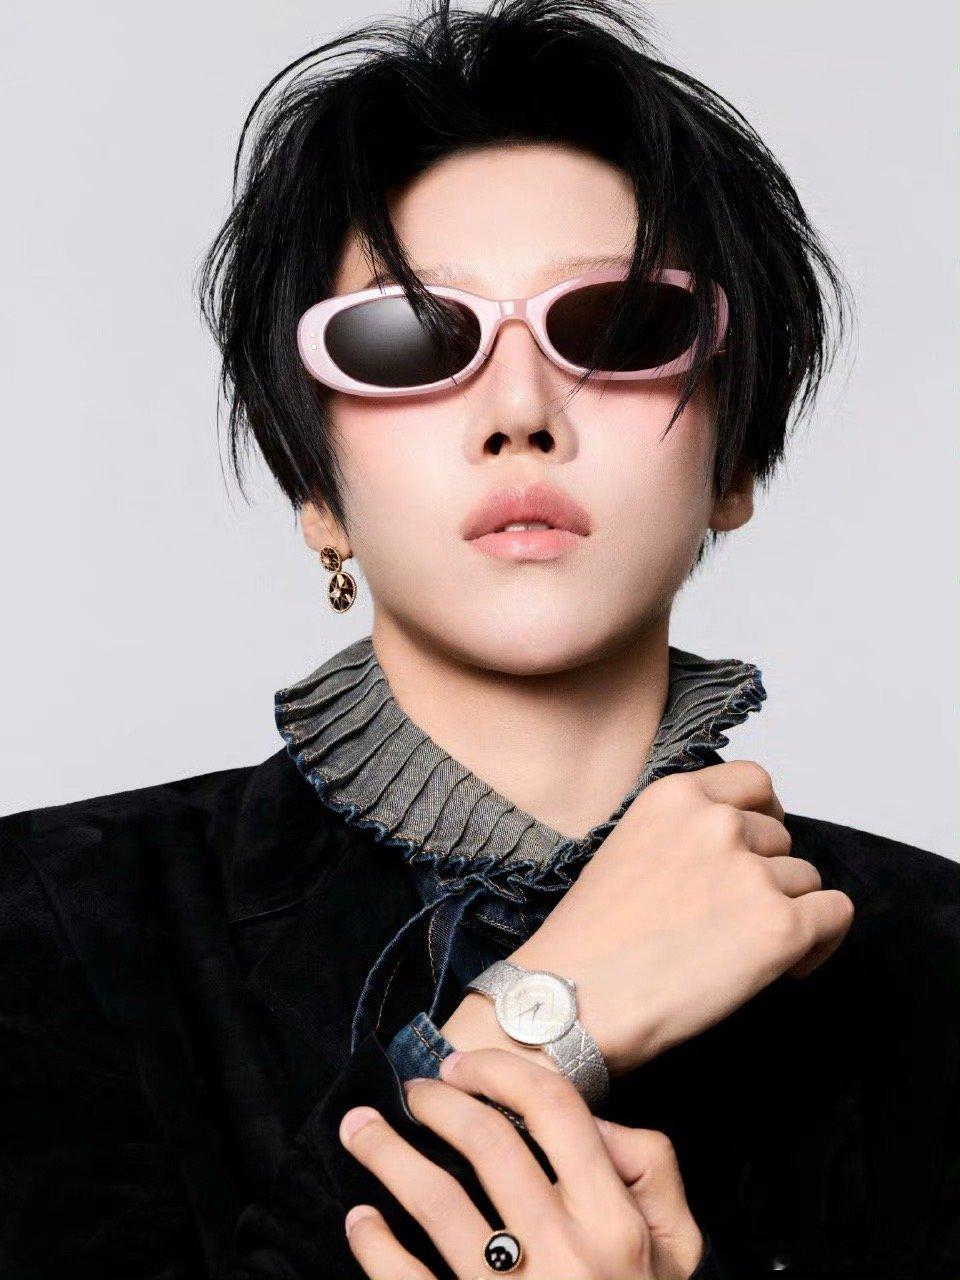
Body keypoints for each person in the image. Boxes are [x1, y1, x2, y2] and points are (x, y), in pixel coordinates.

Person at [1, 0, 957, 1276]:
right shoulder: (51, 925)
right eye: (409, 338)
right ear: (317, 490)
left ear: (734, 461)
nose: (520, 410)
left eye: (617, 327)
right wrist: (540, 1020)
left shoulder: (934, 958)